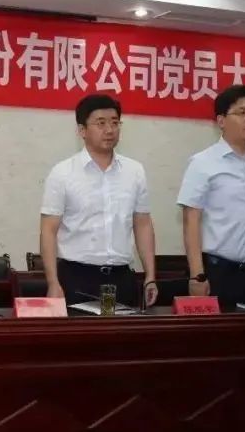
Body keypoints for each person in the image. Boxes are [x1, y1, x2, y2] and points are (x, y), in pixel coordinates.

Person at [40, 94, 158, 309]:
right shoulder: (63, 173)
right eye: (101, 123)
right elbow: (48, 230)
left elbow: (142, 224)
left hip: (121, 277)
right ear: (82, 130)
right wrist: (53, 282)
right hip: (77, 278)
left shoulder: (134, 171)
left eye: (115, 123)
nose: (110, 130)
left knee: (121, 332)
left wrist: (150, 275)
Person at [176, 85, 245, 311]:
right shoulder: (203, 163)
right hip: (217, 272)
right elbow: (191, 220)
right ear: (221, 120)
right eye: (242, 113)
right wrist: (197, 275)